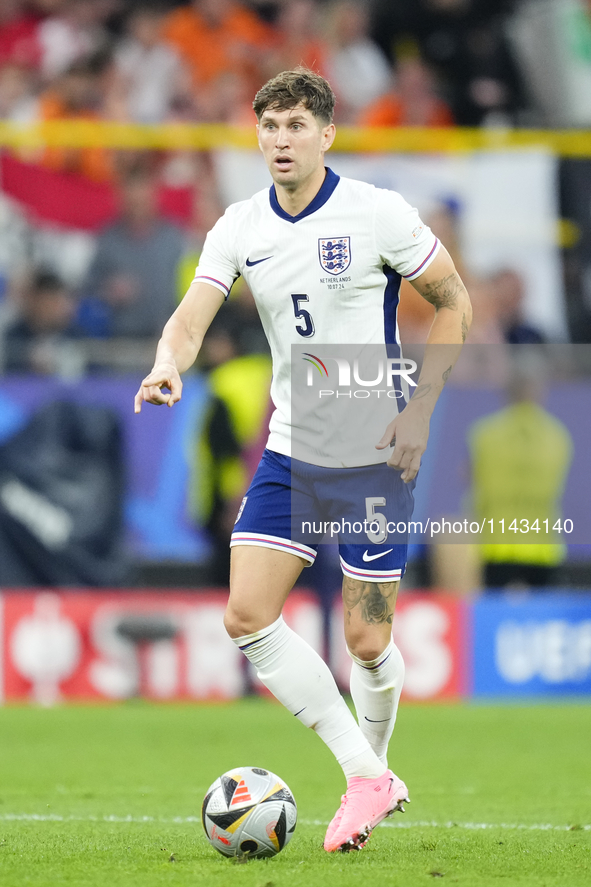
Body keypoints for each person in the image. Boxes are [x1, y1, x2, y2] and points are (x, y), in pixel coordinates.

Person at [134, 68, 472, 852]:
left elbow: (455, 301)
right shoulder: (238, 225)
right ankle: (366, 774)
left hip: (374, 452)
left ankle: (372, 770)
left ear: (326, 134)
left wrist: (421, 407)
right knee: (245, 614)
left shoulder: (377, 213)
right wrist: (167, 361)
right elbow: (192, 314)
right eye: (268, 126)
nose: (279, 140)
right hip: (292, 447)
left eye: (294, 126)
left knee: (364, 639)